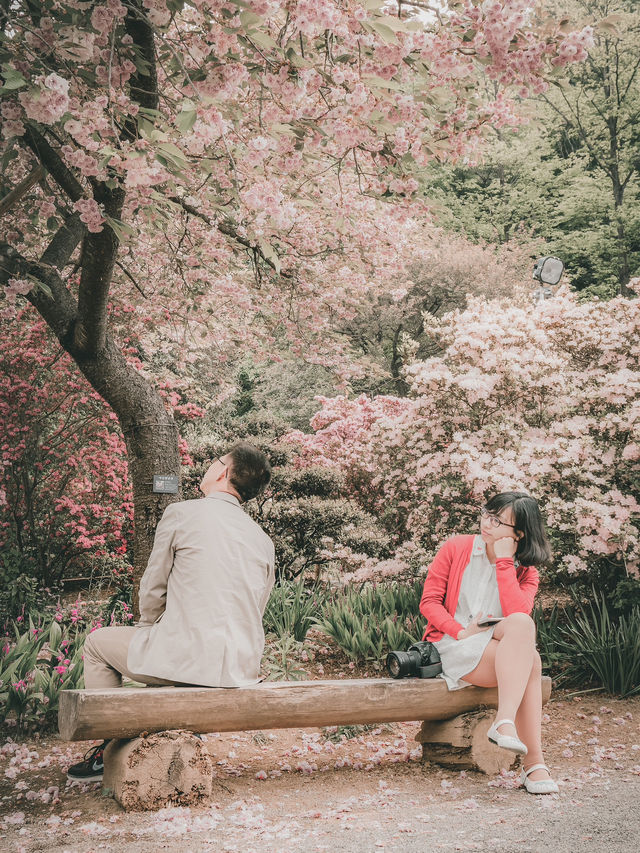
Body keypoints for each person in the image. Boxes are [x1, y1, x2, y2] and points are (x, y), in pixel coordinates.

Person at [67, 442, 275, 782]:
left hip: (187, 657)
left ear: (223, 472)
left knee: (96, 644)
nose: (210, 466)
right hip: (239, 667)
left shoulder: (183, 513)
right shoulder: (262, 539)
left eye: (216, 462)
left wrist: (149, 628)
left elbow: (153, 589)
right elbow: (256, 608)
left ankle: (111, 750)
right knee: (170, 646)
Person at [420, 491, 558, 795]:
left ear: (518, 534)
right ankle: (533, 763)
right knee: (531, 662)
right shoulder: (457, 547)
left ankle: (505, 721)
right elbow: (429, 603)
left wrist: (505, 563)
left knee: (523, 625)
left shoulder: (526, 572)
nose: (487, 523)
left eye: (498, 521)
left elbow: (516, 615)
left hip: (496, 645)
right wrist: (459, 631)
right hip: (452, 643)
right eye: (487, 514)